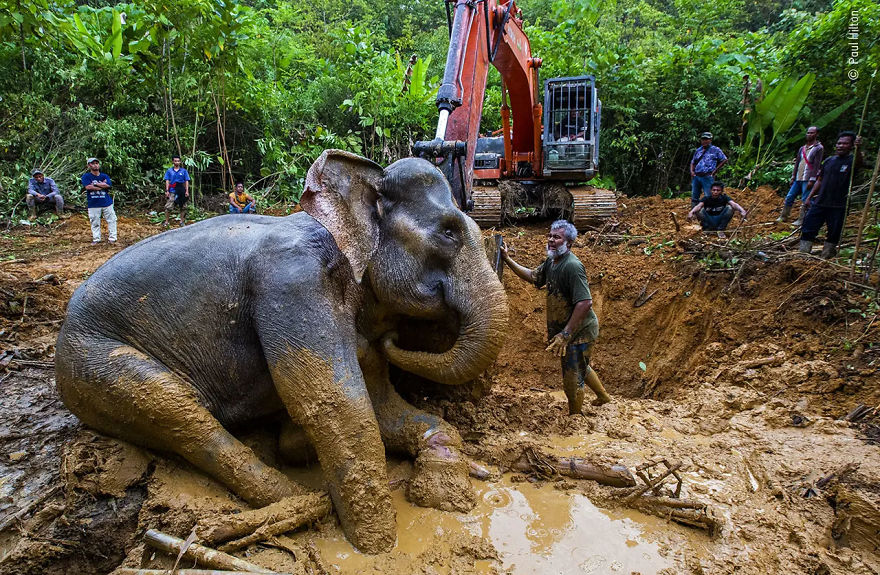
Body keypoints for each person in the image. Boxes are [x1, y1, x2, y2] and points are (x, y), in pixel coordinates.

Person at [500, 220, 612, 415]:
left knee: (571, 378)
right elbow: (533, 276)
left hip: (579, 332)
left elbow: (585, 303)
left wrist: (566, 334)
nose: (551, 240)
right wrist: (508, 260)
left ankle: (575, 419)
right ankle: (603, 397)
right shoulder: (552, 262)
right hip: (571, 331)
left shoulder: (572, 266)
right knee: (581, 366)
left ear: (569, 243)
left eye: (557, 237)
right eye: (550, 236)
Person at [799, 131, 864, 259]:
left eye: (845, 144)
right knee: (808, 227)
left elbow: (859, 163)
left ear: (851, 146)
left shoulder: (852, 161)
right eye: (839, 143)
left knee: (834, 232)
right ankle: (802, 255)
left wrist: (859, 148)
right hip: (820, 202)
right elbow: (820, 180)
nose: (840, 146)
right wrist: (809, 197)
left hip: (839, 205)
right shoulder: (829, 161)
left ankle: (826, 257)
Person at [778, 126, 824, 225]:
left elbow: (817, 165)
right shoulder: (802, 148)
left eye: (812, 133)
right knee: (790, 196)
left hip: (808, 178)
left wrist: (812, 179)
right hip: (798, 177)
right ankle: (784, 216)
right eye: (808, 133)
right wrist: (793, 176)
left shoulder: (818, 148)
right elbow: (797, 163)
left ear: (817, 134)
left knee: (805, 199)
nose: (809, 134)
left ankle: (802, 219)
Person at [81, 157, 117, 244]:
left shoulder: (104, 176)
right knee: (94, 222)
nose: (95, 165)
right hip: (93, 203)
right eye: (93, 163)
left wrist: (95, 184)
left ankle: (112, 238)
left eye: (97, 163)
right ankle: (96, 239)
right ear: (89, 165)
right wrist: (101, 185)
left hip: (107, 202)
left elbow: (108, 185)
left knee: (112, 220)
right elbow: (88, 187)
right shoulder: (86, 176)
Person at [689, 132, 728, 207]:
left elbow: (724, 159)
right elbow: (693, 162)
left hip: (707, 176)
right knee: (694, 196)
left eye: (706, 139)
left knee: (709, 196)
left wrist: (715, 170)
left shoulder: (715, 150)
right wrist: (692, 171)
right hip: (697, 176)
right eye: (703, 139)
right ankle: (694, 211)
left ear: (710, 140)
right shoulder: (698, 150)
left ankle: (710, 210)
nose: (705, 141)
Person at [163, 155, 191, 227]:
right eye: (175, 161)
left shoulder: (184, 171)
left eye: (178, 161)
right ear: (173, 161)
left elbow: (186, 181)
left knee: (183, 206)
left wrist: (187, 191)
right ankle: (166, 221)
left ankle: (182, 221)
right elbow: (167, 181)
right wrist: (167, 191)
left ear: (180, 162)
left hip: (181, 190)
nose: (177, 162)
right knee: (168, 206)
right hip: (172, 190)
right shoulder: (169, 171)